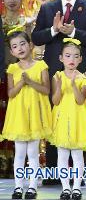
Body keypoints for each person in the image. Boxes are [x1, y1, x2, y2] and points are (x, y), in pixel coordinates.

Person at [32, 0, 86, 181]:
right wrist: (54, 30)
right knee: (56, 118)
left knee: (79, 119)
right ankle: (55, 173)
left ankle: (78, 174)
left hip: (80, 75)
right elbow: (36, 38)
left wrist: (71, 32)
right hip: (55, 73)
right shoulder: (48, 8)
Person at [3, 30, 52, 200]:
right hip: (20, 114)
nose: (20, 48)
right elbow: (10, 93)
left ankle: (32, 186)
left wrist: (30, 82)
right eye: (15, 46)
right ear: (12, 52)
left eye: (23, 44)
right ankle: (18, 187)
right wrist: (22, 82)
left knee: (33, 152)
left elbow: (46, 90)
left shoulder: (41, 66)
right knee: (20, 152)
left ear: (30, 45)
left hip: (35, 114)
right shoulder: (12, 69)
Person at [50, 39, 86, 200]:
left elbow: (80, 100)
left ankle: (76, 187)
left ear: (80, 59)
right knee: (62, 155)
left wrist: (74, 85)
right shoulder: (57, 76)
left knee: (77, 155)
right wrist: (60, 86)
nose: (72, 60)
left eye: (76, 56)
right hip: (61, 119)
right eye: (68, 56)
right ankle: (65, 187)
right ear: (61, 58)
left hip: (77, 120)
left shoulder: (83, 78)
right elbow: (55, 101)